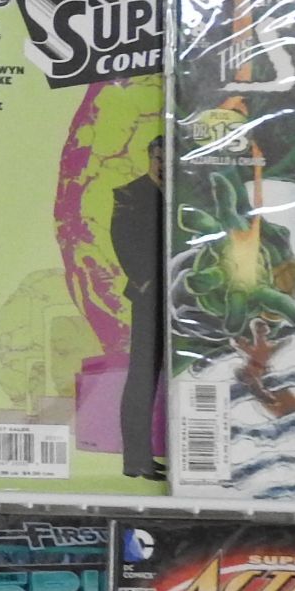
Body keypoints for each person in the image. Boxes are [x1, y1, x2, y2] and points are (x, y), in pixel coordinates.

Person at [112, 138, 167, 479]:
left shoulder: (181, 193)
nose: (163, 164)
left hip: (179, 294)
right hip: (148, 297)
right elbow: (122, 240)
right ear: (150, 158)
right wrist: (146, 282)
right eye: (159, 158)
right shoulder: (129, 193)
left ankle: (146, 459)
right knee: (143, 375)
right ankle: (136, 460)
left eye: (168, 158)